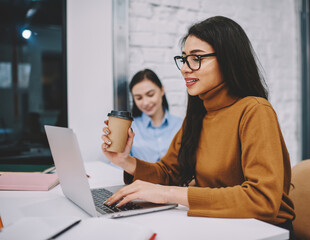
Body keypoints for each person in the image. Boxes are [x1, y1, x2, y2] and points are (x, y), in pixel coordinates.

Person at [101, 16, 296, 235]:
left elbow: (262, 199)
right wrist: (126, 161)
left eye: (196, 58)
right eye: (184, 59)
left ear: (228, 60)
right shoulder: (199, 114)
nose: (185, 68)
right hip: (218, 226)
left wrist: (169, 194)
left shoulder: (255, 110)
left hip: (262, 232)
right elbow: (168, 172)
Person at [128, 69, 183, 163]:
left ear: (162, 90)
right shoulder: (130, 129)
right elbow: (117, 165)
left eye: (150, 95)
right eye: (139, 98)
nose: (145, 102)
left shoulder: (181, 125)